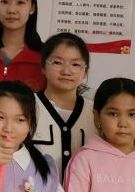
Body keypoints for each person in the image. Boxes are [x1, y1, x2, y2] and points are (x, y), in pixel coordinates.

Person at [33, 32, 94, 177]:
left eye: (75, 64)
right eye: (57, 62)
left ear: (85, 71)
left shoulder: (95, 112)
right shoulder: (26, 107)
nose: (66, 71)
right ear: (43, 66)